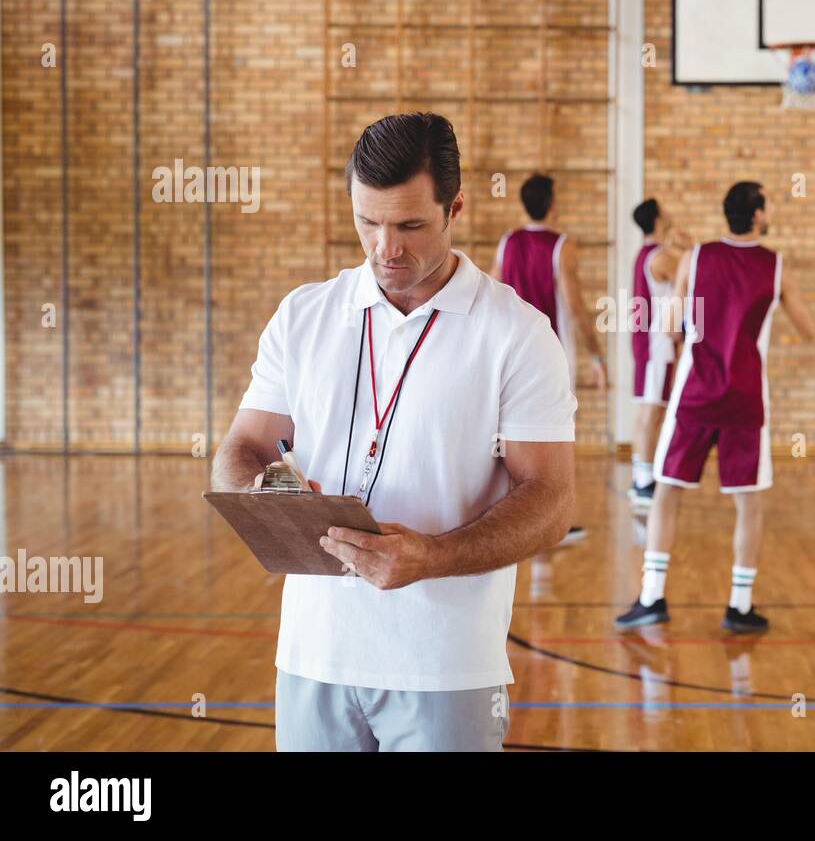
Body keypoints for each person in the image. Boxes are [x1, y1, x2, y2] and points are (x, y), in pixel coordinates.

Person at [211, 112, 577, 751]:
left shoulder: (519, 335)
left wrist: (433, 556)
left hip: (446, 668)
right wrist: (269, 491)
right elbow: (241, 450)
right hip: (311, 656)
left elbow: (550, 500)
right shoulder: (303, 315)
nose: (386, 249)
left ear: (455, 206)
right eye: (368, 222)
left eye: (410, 225)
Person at [614, 182, 815, 633]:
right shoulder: (776, 266)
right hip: (745, 398)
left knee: (667, 491)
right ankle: (738, 605)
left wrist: (699, 336)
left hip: (695, 394)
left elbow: (668, 329)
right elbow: (809, 330)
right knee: (748, 504)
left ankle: (651, 597)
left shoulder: (697, 257)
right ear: (758, 216)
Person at [493, 174, 607, 545]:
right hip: (549, 355)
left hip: (506, 353)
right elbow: (574, 305)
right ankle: (550, 524)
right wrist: (597, 355)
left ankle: (512, 522)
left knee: (508, 442)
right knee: (552, 443)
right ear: (552, 203)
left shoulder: (508, 242)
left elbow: (492, 292)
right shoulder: (562, 245)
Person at [627, 197, 689, 510]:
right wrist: (690, 247)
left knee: (647, 412)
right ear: (657, 219)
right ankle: (643, 482)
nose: (670, 214)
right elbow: (693, 276)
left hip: (645, 343)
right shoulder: (662, 257)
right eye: (665, 211)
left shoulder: (643, 254)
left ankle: (640, 476)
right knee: (652, 414)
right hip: (657, 345)